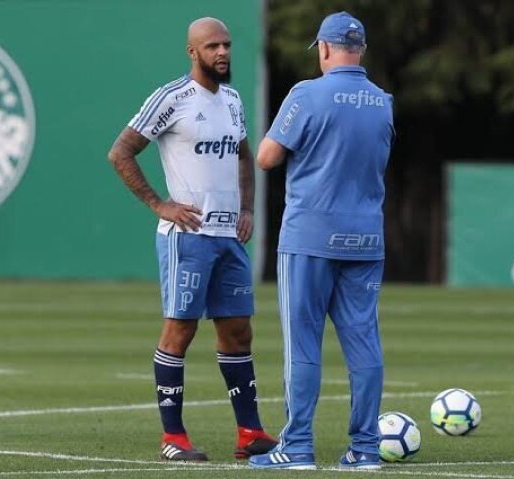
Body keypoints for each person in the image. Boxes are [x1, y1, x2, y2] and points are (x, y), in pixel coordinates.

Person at [107, 17, 277, 462]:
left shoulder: (235, 100)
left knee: (238, 332)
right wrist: (158, 204)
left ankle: (250, 433)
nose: (222, 52)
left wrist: (247, 209)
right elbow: (120, 151)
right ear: (192, 52)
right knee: (180, 331)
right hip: (189, 238)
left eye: (226, 45)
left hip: (228, 238)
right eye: (212, 46)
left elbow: (243, 155)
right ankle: (173, 438)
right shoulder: (172, 98)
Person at [248, 11, 395, 470]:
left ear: (325, 49)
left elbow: (267, 157)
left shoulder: (307, 93)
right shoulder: (383, 101)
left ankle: (297, 448)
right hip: (366, 236)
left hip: (310, 235)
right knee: (364, 343)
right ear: (362, 51)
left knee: (303, 343)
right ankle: (366, 449)